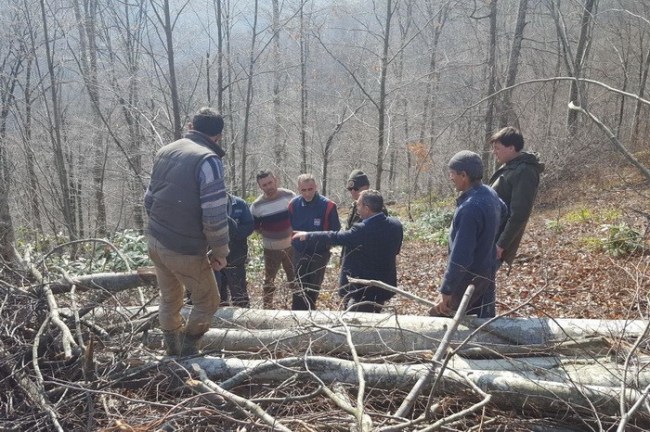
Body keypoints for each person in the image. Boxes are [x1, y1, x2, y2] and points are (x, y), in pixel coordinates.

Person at [144, 107, 229, 356]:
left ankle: (171, 350)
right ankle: (189, 351)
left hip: (156, 241)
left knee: (170, 298)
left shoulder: (165, 151)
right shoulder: (208, 160)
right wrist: (220, 250)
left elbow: (149, 199)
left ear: (191, 125)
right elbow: (214, 214)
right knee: (208, 301)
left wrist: (162, 228)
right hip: (184, 248)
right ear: (219, 136)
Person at [293, 189, 403, 313]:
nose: (357, 209)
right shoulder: (396, 225)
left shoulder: (362, 230)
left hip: (362, 290)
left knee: (357, 324)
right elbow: (396, 251)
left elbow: (335, 236)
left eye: (359, 205)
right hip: (383, 287)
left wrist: (308, 235)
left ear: (367, 208)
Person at [430, 151, 507, 318]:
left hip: (468, 278)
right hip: (486, 271)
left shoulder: (470, 209)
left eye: (452, 174)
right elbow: (504, 211)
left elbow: (461, 256)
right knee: (480, 322)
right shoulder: (490, 193)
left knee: (440, 321)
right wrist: (489, 239)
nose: (450, 178)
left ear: (463, 175)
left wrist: (447, 289)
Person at [489, 127, 545, 268]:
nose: (493, 152)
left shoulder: (524, 171)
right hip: (489, 236)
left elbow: (519, 214)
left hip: (496, 241)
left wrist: (501, 244)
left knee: (481, 284)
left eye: (497, 148)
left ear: (511, 148)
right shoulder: (511, 167)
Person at [288, 174, 341, 310]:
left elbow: (335, 233)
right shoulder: (293, 205)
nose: (307, 193)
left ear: (316, 187)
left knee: (313, 289)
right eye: (303, 190)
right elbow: (289, 227)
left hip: (319, 253)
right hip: (299, 252)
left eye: (310, 189)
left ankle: (311, 317)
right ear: (298, 189)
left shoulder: (328, 206)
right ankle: (297, 317)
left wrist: (319, 241)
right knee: (299, 288)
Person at [250, 170, 296, 309]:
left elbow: (298, 217)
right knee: (269, 281)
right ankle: (267, 308)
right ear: (260, 187)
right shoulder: (257, 206)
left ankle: (299, 307)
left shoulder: (289, 196)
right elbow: (256, 228)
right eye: (264, 185)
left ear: (275, 180)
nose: (268, 186)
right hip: (270, 249)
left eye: (270, 182)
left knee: (295, 278)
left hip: (292, 246)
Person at [216, 193, 255, 307]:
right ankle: (222, 321)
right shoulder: (208, 204)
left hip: (236, 254)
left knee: (239, 292)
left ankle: (244, 318)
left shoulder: (240, 204)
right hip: (215, 255)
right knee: (219, 291)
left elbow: (249, 226)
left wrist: (233, 230)